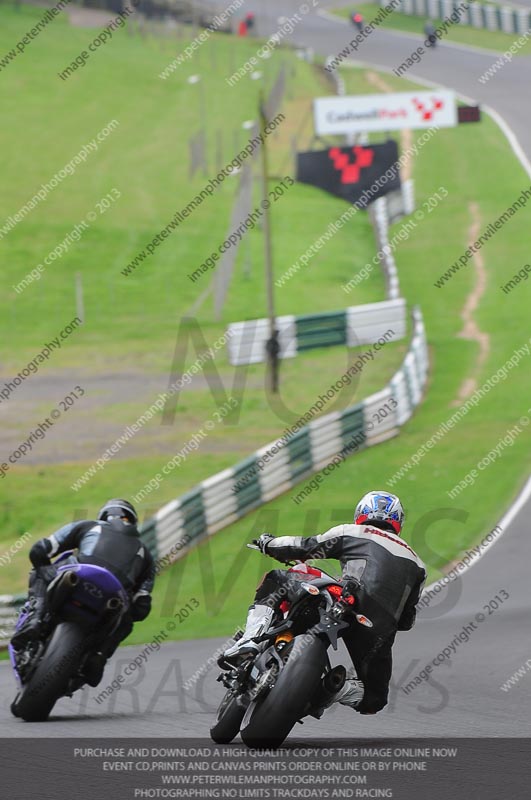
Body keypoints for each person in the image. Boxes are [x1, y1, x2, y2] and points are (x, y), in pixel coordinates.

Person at [222, 491, 426, 715]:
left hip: (345, 599)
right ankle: (333, 688)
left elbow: (306, 546)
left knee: (276, 579)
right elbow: (406, 620)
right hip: (377, 629)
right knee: (373, 700)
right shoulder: (418, 563)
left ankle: (250, 640)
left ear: (361, 513)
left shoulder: (353, 531)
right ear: (398, 522)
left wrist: (269, 544)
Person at [11, 499, 155, 687]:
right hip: (115, 592)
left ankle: (35, 620)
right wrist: (128, 612)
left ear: (103, 516)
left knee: (38, 573)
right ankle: (99, 657)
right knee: (126, 621)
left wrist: (41, 565)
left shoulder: (87, 525)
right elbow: (142, 605)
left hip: (79, 572)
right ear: (133, 522)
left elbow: (42, 548)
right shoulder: (146, 554)